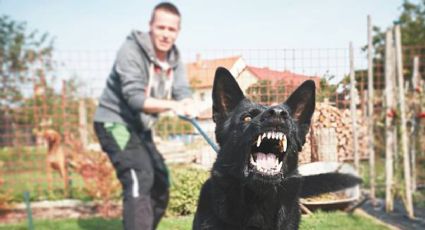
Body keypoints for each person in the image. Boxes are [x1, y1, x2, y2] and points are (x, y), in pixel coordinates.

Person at [93, 2, 196, 229]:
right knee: (140, 176)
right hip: (114, 123)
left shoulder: (174, 59)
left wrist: (188, 103)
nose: (166, 34)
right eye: (161, 27)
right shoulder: (130, 51)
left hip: (140, 128)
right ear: (150, 26)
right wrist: (174, 105)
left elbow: (182, 91)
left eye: (172, 30)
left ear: (178, 32)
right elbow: (136, 99)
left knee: (161, 184)